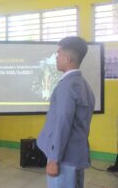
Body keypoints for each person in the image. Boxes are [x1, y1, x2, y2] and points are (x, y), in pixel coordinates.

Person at [37, 36, 95, 188]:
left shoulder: (67, 86)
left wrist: (54, 159)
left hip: (64, 159)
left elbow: (62, 124)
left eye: (58, 55)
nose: (56, 58)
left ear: (67, 58)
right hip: (76, 155)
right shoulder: (83, 84)